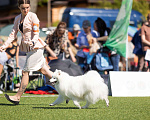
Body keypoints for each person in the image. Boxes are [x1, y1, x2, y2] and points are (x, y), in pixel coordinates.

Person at [0, 0, 55, 104]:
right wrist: (5, 45)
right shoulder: (17, 18)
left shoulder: (33, 16)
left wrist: (33, 42)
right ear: (19, 7)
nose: (26, 10)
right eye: (23, 8)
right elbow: (13, 34)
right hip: (28, 48)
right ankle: (66, 87)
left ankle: (17, 97)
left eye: (27, 7)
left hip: (36, 48)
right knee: (44, 71)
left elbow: (36, 32)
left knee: (25, 72)